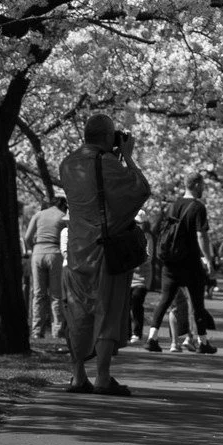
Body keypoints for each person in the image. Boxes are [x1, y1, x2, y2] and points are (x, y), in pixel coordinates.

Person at [58, 115, 151, 395]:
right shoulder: (108, 163)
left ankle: (77, 376)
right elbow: (139, 191)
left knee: (77, 311)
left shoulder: (67, 164)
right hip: (104, 249)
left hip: (76, 249)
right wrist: (127, 156)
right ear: (109, 137)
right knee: (107, 309)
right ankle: (103, 376)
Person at [144, 172, 218, 354]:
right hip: (190, 262)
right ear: (197, 185)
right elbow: (201, 235)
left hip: (170, 262)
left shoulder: (173, 206)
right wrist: (208, 258)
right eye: (203, 186)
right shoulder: (198, 207)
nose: (204, 189)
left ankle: (152, 338)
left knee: (164, 300)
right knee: (197, 303)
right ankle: (202, 342)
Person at [23, 194, 67, 340]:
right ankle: (57, 331)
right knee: (56, 295)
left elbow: (27, 238)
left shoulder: (38, 215)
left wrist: (33, 249)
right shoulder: (63, 216)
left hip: (38, 253)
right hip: (55, 254)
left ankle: (36, 331)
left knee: (38, 294)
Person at [128, 209, 154, 343]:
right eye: (136, 222)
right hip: (129, 276)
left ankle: (137, 332)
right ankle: (126, 332)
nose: (138, 225)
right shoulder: (129, 234)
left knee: (136, 302)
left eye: (140, 223)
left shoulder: (147, 237)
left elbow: (148, 257)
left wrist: (134, 260)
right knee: (126, 304)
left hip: (142, 278)